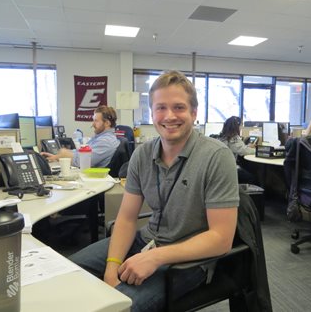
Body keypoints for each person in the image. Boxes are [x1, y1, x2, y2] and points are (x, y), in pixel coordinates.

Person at [69, 70, 239, 312]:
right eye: (161, 108)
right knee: (69, 273)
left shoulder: (216, 156)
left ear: (193, 113)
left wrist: (155, 257)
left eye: (179, 107)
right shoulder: (142, 154)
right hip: (147, 241)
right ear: (152, 113)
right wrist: (112, 266)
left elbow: (221, 239)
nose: (169, 116)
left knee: (118, 307)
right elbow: (127, 218)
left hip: (190, 260)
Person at [41, 105, 119, 168]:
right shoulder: (100, 137)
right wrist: (57, 156)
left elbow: (82, 162)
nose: (93, 124)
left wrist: (63, 155)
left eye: (96, 121)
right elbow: (81, 153)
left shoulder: (106, 142)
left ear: (107, 123)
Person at [218, 116, 257, 184]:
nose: (242, 127)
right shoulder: (233, 138)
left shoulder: (223, 137)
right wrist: (259, 151)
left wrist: (247, 146)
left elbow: (238, 148)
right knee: (252, 178)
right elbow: (244, 151)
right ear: (237, 126)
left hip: (221, 168)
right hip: (229, 169)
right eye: (241, 125)